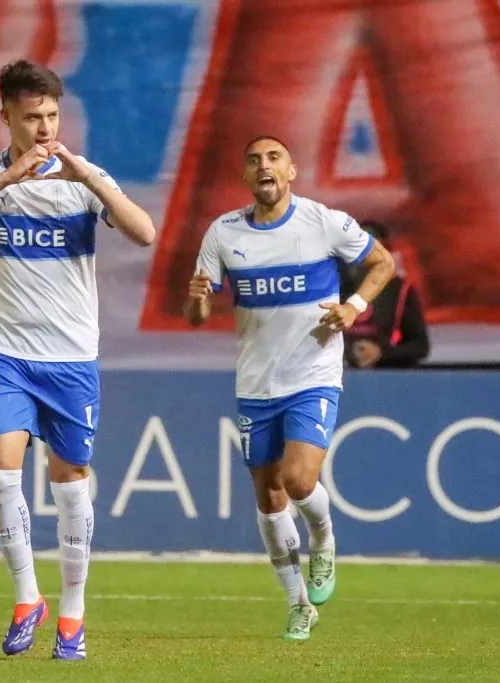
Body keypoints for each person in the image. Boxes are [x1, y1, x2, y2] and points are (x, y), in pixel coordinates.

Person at [0, 59, 155, 659]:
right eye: (31, 117)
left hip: (73, 358)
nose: (44, 127)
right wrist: (5, 183)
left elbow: (144, 232)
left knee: (69, 484)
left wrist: (91, 181)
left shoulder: (82, 179)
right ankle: (27, 597)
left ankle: (73, 615)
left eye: (52, 115)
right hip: (7, 353)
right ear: (6, 117)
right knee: (0, 467)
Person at [183, 136, 394, 640]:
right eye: (254, 159)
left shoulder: (323, 222)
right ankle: (300, 603)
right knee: (268, 495)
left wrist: (354, 308)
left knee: (299, 480)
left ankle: (324, 538)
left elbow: (382, 263)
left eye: (274, 157)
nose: (264, 165)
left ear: (292, 171)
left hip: (312, 375)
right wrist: (196, 301)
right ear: (245, 175)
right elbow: (197, 314)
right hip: (256, 383)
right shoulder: (224, 233)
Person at [340, 221, 430, 368]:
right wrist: (347, 352)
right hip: (339, 378)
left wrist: (381, 353)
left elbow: (420, 347)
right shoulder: (333, 290)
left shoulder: (400, 291)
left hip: (387, 378)